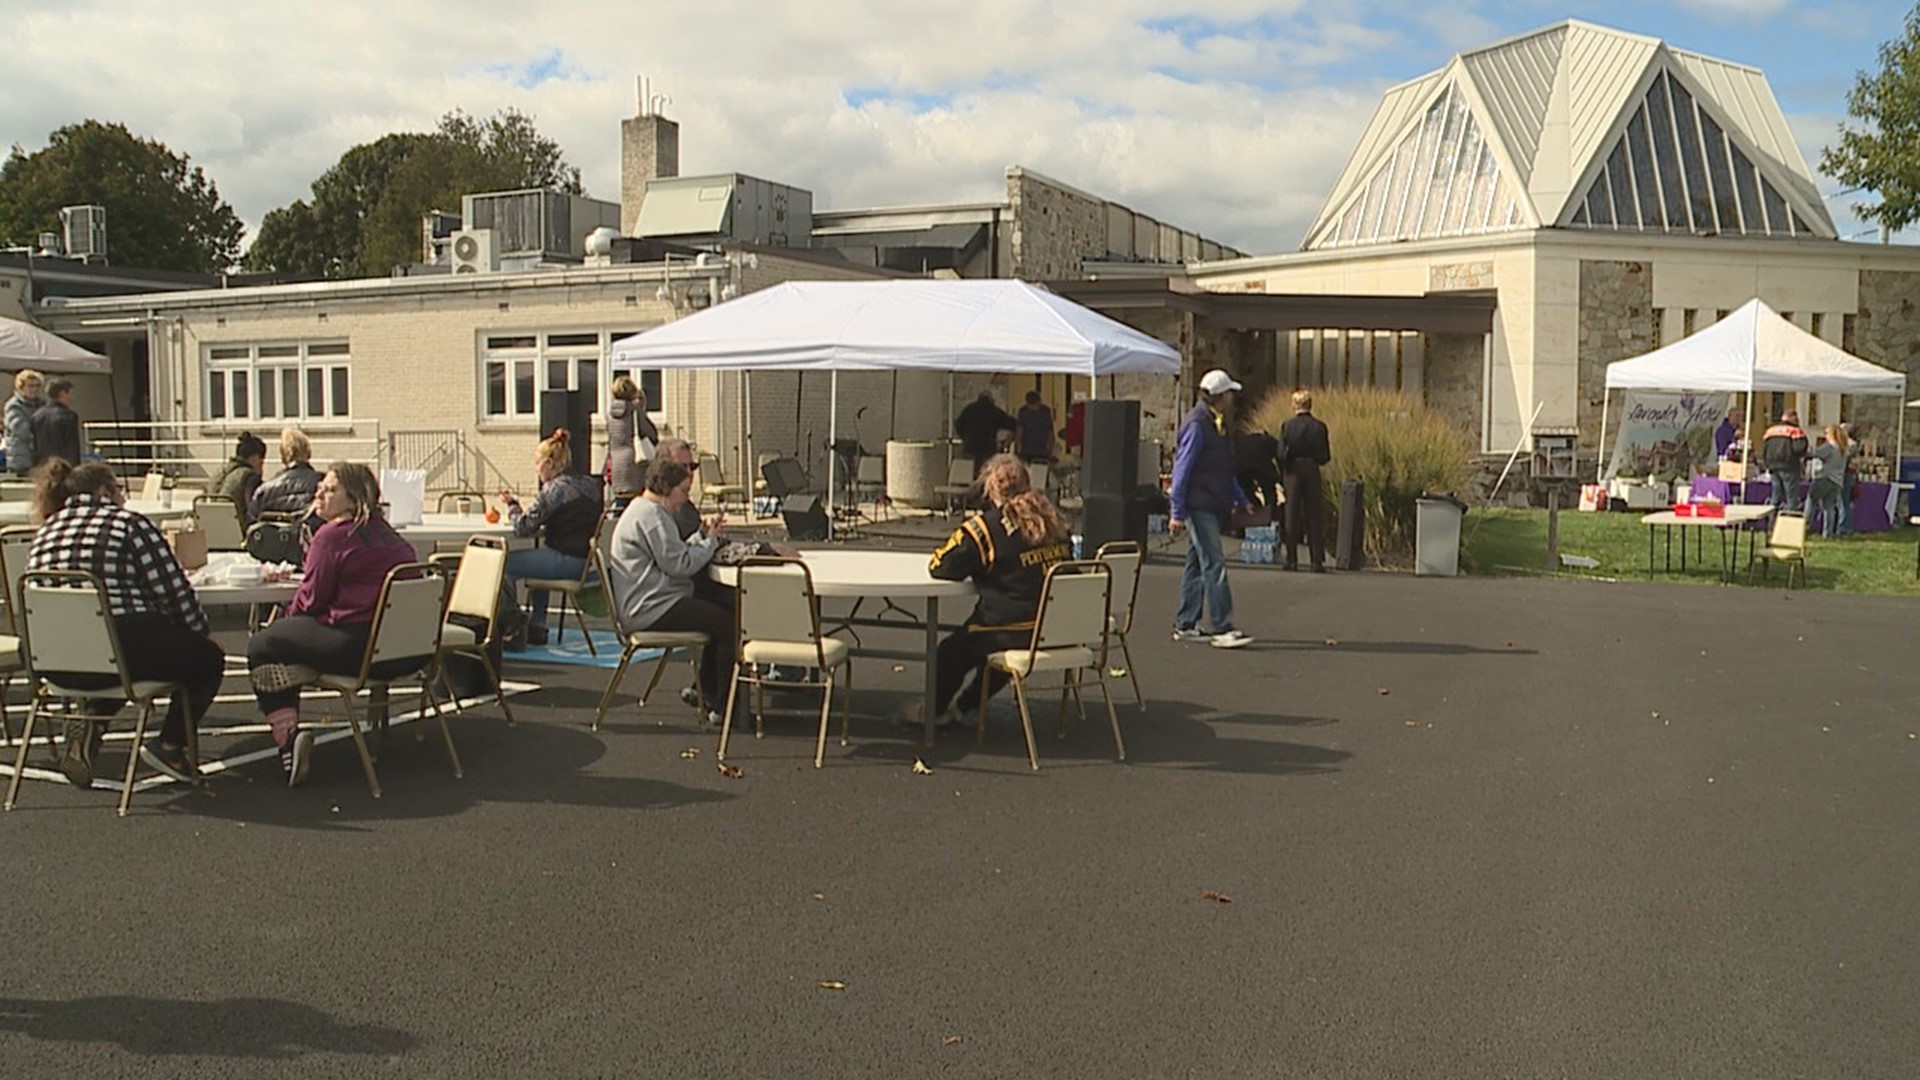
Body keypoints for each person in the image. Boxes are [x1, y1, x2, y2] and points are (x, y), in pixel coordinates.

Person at [27, 458, 226, 788]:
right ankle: (169, 745)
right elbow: (173, 591)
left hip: (53, 660)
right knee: (204, 659)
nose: (123, 498)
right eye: (119, 490)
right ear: (104, 491)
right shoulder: (126, 525)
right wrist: (203, 633)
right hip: (119, 647)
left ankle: (91, 719)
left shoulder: (47, 529)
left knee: (117, 655)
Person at [246, 463, 419, 785]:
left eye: (330, 489)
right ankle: (297, 677)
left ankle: (288, 740)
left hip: (355, 647)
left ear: (354, 498)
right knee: (287, 640)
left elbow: (310, 601)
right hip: (404, 650)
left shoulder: (331, 537)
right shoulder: (392, 536)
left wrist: (284, 619)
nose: (319, 493)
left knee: (263, 644)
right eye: (321, 487)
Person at [922, 454, 1073, 727]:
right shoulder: (1056, 523)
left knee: (950, 653)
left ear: (991, 489)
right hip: (1057, 627)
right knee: (990, 653)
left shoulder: (985, 528)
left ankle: (934, 713)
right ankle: (966, 706)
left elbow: (941, 565)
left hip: (1010, 628)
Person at [607, 456, 732, 720]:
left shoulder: (644, 510)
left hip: (648, 600)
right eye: (683, 492)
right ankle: (725, 704)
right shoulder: (652, 516)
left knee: (718, 610)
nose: (685, 499)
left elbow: (674, 554)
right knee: (728, 623)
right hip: (650, 608)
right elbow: (680, 565)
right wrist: (710, 543)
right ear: (665, 488)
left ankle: (709, 691)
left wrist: (699, 537)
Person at [1169, 369, 1253, 649]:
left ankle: (1186, 622)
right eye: (1228, 393)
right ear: (1219, 396)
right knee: (1215, 563)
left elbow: (1221, 469)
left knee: (1197, 564)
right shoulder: (1197, 425)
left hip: (1210, 500)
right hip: (1200, 503)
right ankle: (1222, 626)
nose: (1231, 397)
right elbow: (1182, 469)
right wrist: (1177, 511)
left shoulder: (1214, 423)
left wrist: (1240, 498)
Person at [498, 429, 604, 648]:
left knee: (502, 564)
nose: (536, 469)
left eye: (537, 463)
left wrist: (512, 506)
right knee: (539, 562)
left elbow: (523, 527)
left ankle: (513, 624)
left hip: (564, 560)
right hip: (584, 562)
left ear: (548, 463)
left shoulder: (554, 490)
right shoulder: (590, 485)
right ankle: (537, 625)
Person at [1279, 388, 1333, 572]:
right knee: (1314, 515)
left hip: (1292, 471)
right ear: (1310, 404)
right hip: (1311, 470)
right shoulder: (1319, 427)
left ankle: (1291, 559)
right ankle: (1316, 561)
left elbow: (1280, 453)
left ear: (1294, 405)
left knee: (1291, 515)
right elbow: (1325, 456)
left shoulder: (1287, 426)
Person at [605, 374, 659, 503]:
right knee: (637, 502)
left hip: (617, 464)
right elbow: (651, 433)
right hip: (635, 462)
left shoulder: (610, 415)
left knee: (621, 500)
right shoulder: (635, 411)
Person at [250, 426, 323, 519]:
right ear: (308, 452)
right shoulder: (323, 485)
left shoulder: (264, 491)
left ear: (283, 455)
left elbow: (251, 524)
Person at [953, 390, 1015, 477]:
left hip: (970, 446)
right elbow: (1011, 424)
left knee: (969, 473)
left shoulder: (969, 409)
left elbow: (959, 425)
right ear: (990, 400)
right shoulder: (993, 411)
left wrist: (965, 437)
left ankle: (971, 488)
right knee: (986, 473)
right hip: (987, 447)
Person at [1806, 424, 1850, 538]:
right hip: (1837, 481)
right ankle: (1828, 533)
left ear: (1831, 434)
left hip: (1824, 478)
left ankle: (1805, 527)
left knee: (1811, 500)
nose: (1824, 435)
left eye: (1826, 433)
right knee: (1829, 506)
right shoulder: (1843, 448)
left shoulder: (1830, 447)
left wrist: (1805, 450)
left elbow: (1814, 453)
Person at [1760, 408, 1809, 512]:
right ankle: (1789, 524)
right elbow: (1799, 448)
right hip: (1789, 466)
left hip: (1773, 466)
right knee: (1791, 498)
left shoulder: (1771, 430)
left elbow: (1764, 449)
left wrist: (1767, 464)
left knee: (1775, 496)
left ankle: (1772, 523)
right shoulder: (1795, 430)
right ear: (1793, 418)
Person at [211, 431, 267, 520]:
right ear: (255, 458)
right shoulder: (249, 477)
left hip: (213, 526)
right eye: (261, 461)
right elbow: (254, 512)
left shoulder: (219, 473)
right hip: (237, 529)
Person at [29, 377, 83, 468]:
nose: (71, 397)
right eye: (69, 393)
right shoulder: (69, 416)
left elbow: (34, 445)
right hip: (62, 466)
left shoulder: (37, 416)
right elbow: (72, 446)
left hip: (43, 466)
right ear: (62, 393)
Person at [4, 369, 44, 477]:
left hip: (40, 459)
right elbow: (21, 430)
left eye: (37, 386)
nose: (34, 389)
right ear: (21, 387)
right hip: (21, 460)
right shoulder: (14, 406)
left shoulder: (42, 405)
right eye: (30, 386)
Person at [1233, 426, 1280, 514]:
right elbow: (1280, 452)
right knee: (1269, 490)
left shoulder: (1239, 442)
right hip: (1261, 467)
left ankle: (1255, 510)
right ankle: (1270, 512)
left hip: (1241, 469)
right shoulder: (1264, 439)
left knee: (1247, 491)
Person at [1014, 391, 1055, 464]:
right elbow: (1050, 434)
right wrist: (1050, 451)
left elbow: (1019, 433)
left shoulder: (1023, 412)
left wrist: (1016, 450)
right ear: (1039, 401)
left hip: (1026, 452)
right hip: (1042, 452)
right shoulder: (1045, 412)